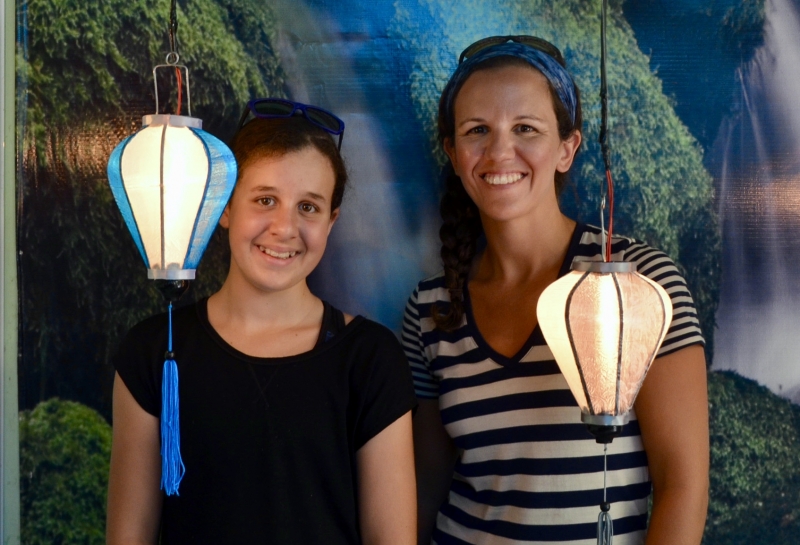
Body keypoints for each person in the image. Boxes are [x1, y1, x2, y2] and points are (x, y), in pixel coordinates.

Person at [403, 36, 709, 544]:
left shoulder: (639, 284)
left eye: (526, 128)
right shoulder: (431, 309)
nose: (500, 151)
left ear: (567, 148)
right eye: (477, 130)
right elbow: (424, 488)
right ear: (453, 153)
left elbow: (683, 487)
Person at [107, 99, 417, 545]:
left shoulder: (370, 359)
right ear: (222, 207)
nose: (284, 227)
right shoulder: (153, 352)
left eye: (308, 207)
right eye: (265, 200)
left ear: (331, 222)